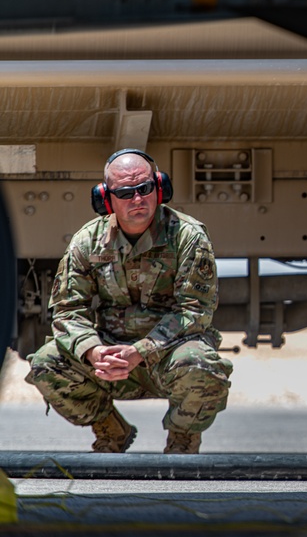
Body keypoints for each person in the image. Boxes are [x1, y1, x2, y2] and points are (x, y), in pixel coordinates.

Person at [25, 149, 233, 454]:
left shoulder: (187, 236)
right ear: (106, 200)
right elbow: (68, 310)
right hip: (110, 361)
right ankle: (111, 431)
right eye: (125, 193)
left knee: (203, 364)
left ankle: (182, 442)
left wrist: (140, 351)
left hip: (168, 358)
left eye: (145, 189)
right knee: (46, 362)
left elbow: (195, 312)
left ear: (160, 188)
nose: (137, 199)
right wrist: (93, 351)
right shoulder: (88, 241)